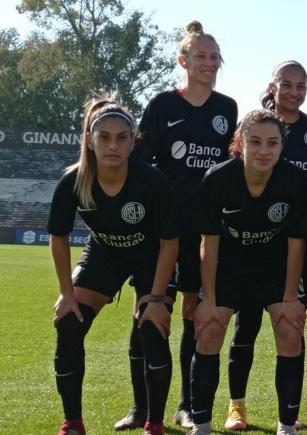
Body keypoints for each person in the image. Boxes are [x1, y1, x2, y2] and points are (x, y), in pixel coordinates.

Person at [119, 20, 238, 431]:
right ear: (182, 60)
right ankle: (141, 408)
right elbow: (139, 162)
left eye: (214, 57)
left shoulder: (227, 109)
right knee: (149, 311)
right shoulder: (161, 105)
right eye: (201, 56)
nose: (209, 63)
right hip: (161, 231)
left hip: (204, 232)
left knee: (194, 314)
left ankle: (187, 405)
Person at [49, 96, 179, 435]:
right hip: (104, 253)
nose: (113, 144)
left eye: (122, 137)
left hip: (151, 256)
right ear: (90, 141)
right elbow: (58, 237)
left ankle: (154, 423)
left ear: (133, 140)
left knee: (152, 327)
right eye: (104, 137)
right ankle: (73, 422)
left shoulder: (151, 180)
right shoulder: (72, 181)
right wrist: (66, 293)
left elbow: (169, 244)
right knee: (68, 323)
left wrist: (154, 299)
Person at [188, 109, 307, 435]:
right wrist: (209, 299)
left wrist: (290, 298)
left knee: (289, 330)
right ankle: (201, 425)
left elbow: (297, 243)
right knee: (211, 329)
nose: (264, 150)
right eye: (255, 141)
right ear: (240, 143)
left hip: (273, 268)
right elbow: (209, 243)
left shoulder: (295, 181)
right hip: (229, 268)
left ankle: (287, 426)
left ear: (282, 147)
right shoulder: (217, 178)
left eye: (272, 143)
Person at [223, 60, 307, 431]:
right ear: (273, 86)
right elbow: (231, 176)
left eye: (302, 85)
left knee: (290, 327)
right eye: (287, 84)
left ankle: (290, 411)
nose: (295, 92)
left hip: (292, 246)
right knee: (245, 327)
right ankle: (236, 406)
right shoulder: (253, 123)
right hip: (250, 245)